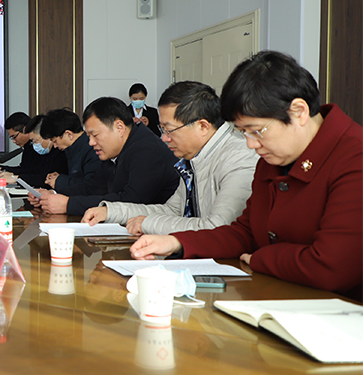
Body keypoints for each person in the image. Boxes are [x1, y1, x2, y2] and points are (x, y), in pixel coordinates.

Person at [130, 51, 362, 299]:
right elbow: (245, 232)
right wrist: (178, 243)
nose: (251, 144)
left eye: (256, 130)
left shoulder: (353, 157)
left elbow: (330, 267)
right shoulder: (271, 160)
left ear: (299, 112)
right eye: (243, 132)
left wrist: (261, 258)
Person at [82, 81, 257, 235]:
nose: (164, 138)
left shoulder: (239, 157)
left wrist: (147, 223)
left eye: (169, 130)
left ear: (203, 126)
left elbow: (218, 228)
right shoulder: (193, 157)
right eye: (162, 129)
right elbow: (172, 210)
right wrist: (110, 211)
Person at [30, 97, 180, 215]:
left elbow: (130, 202)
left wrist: (68, 205)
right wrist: (53, 195)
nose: (91, 142)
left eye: (95, 135)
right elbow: (93, 187)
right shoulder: (116, 151)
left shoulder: (147, 150)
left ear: (119, 127)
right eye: (89, 136)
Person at [39, 108, 105, 197]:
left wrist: (60, 181)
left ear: (69, 134)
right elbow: (78, 177)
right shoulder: (73, 148)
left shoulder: (91, 149)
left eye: (55, 141)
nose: (55, 146)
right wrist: (59, 178)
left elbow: (91, 186)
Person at [0, 114, 68, 187]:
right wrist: (12, 175)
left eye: (34, 141)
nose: (34, 145)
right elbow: (37, 171)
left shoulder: (62, 151)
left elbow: (44, 178)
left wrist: (17, 178)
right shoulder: (47, 150)